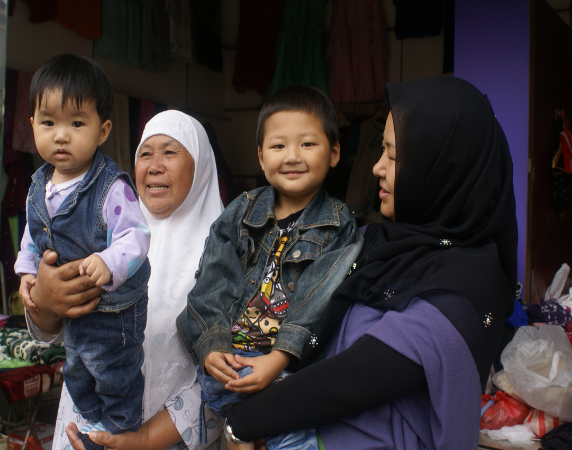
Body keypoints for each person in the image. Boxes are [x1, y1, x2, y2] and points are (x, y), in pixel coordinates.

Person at [222, 77, 518, 450]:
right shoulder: (372, 242)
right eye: (381, 151)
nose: (377, 167)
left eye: (394, 157)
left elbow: (352, 380)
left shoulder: (466, 288)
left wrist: (244, 422)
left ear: (443, 166)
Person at [23, 110, 225, 450]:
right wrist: (44, 296)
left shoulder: (228, 255)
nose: (154, 166)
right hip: (82, 432)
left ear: (201, 166)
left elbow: (225, 380)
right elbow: (49, 330)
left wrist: (141, 440)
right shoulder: (101, 232)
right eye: (145, 154)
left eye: (170, 152)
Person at [176, 85, 363, 450]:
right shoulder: (242, 211)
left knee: (293, 433)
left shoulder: (339, 225)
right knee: (222, 394)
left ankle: (244, 427)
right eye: (278, 146)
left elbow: (316, 300)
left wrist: (276, 360)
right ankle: (242, 426)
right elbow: (213, 280)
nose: (292, 156)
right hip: (229, 362)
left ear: (335, 153)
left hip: (287, 368)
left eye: (307, 144)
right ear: (261, 157)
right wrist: (212, 346)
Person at [14, 54, 151, 450]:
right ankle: (91, 424)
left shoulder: (111, 187)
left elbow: (137, 236)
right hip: (74, 317)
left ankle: (117, 432)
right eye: (48, 123)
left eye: (76, 123)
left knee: (115, 375)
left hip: (113, 313)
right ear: (32, 125)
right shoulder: (38, 187)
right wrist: (28, 273)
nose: (61, 135)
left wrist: (108, 261)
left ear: (103, 130)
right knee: (76, 371)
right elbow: (33, 235)